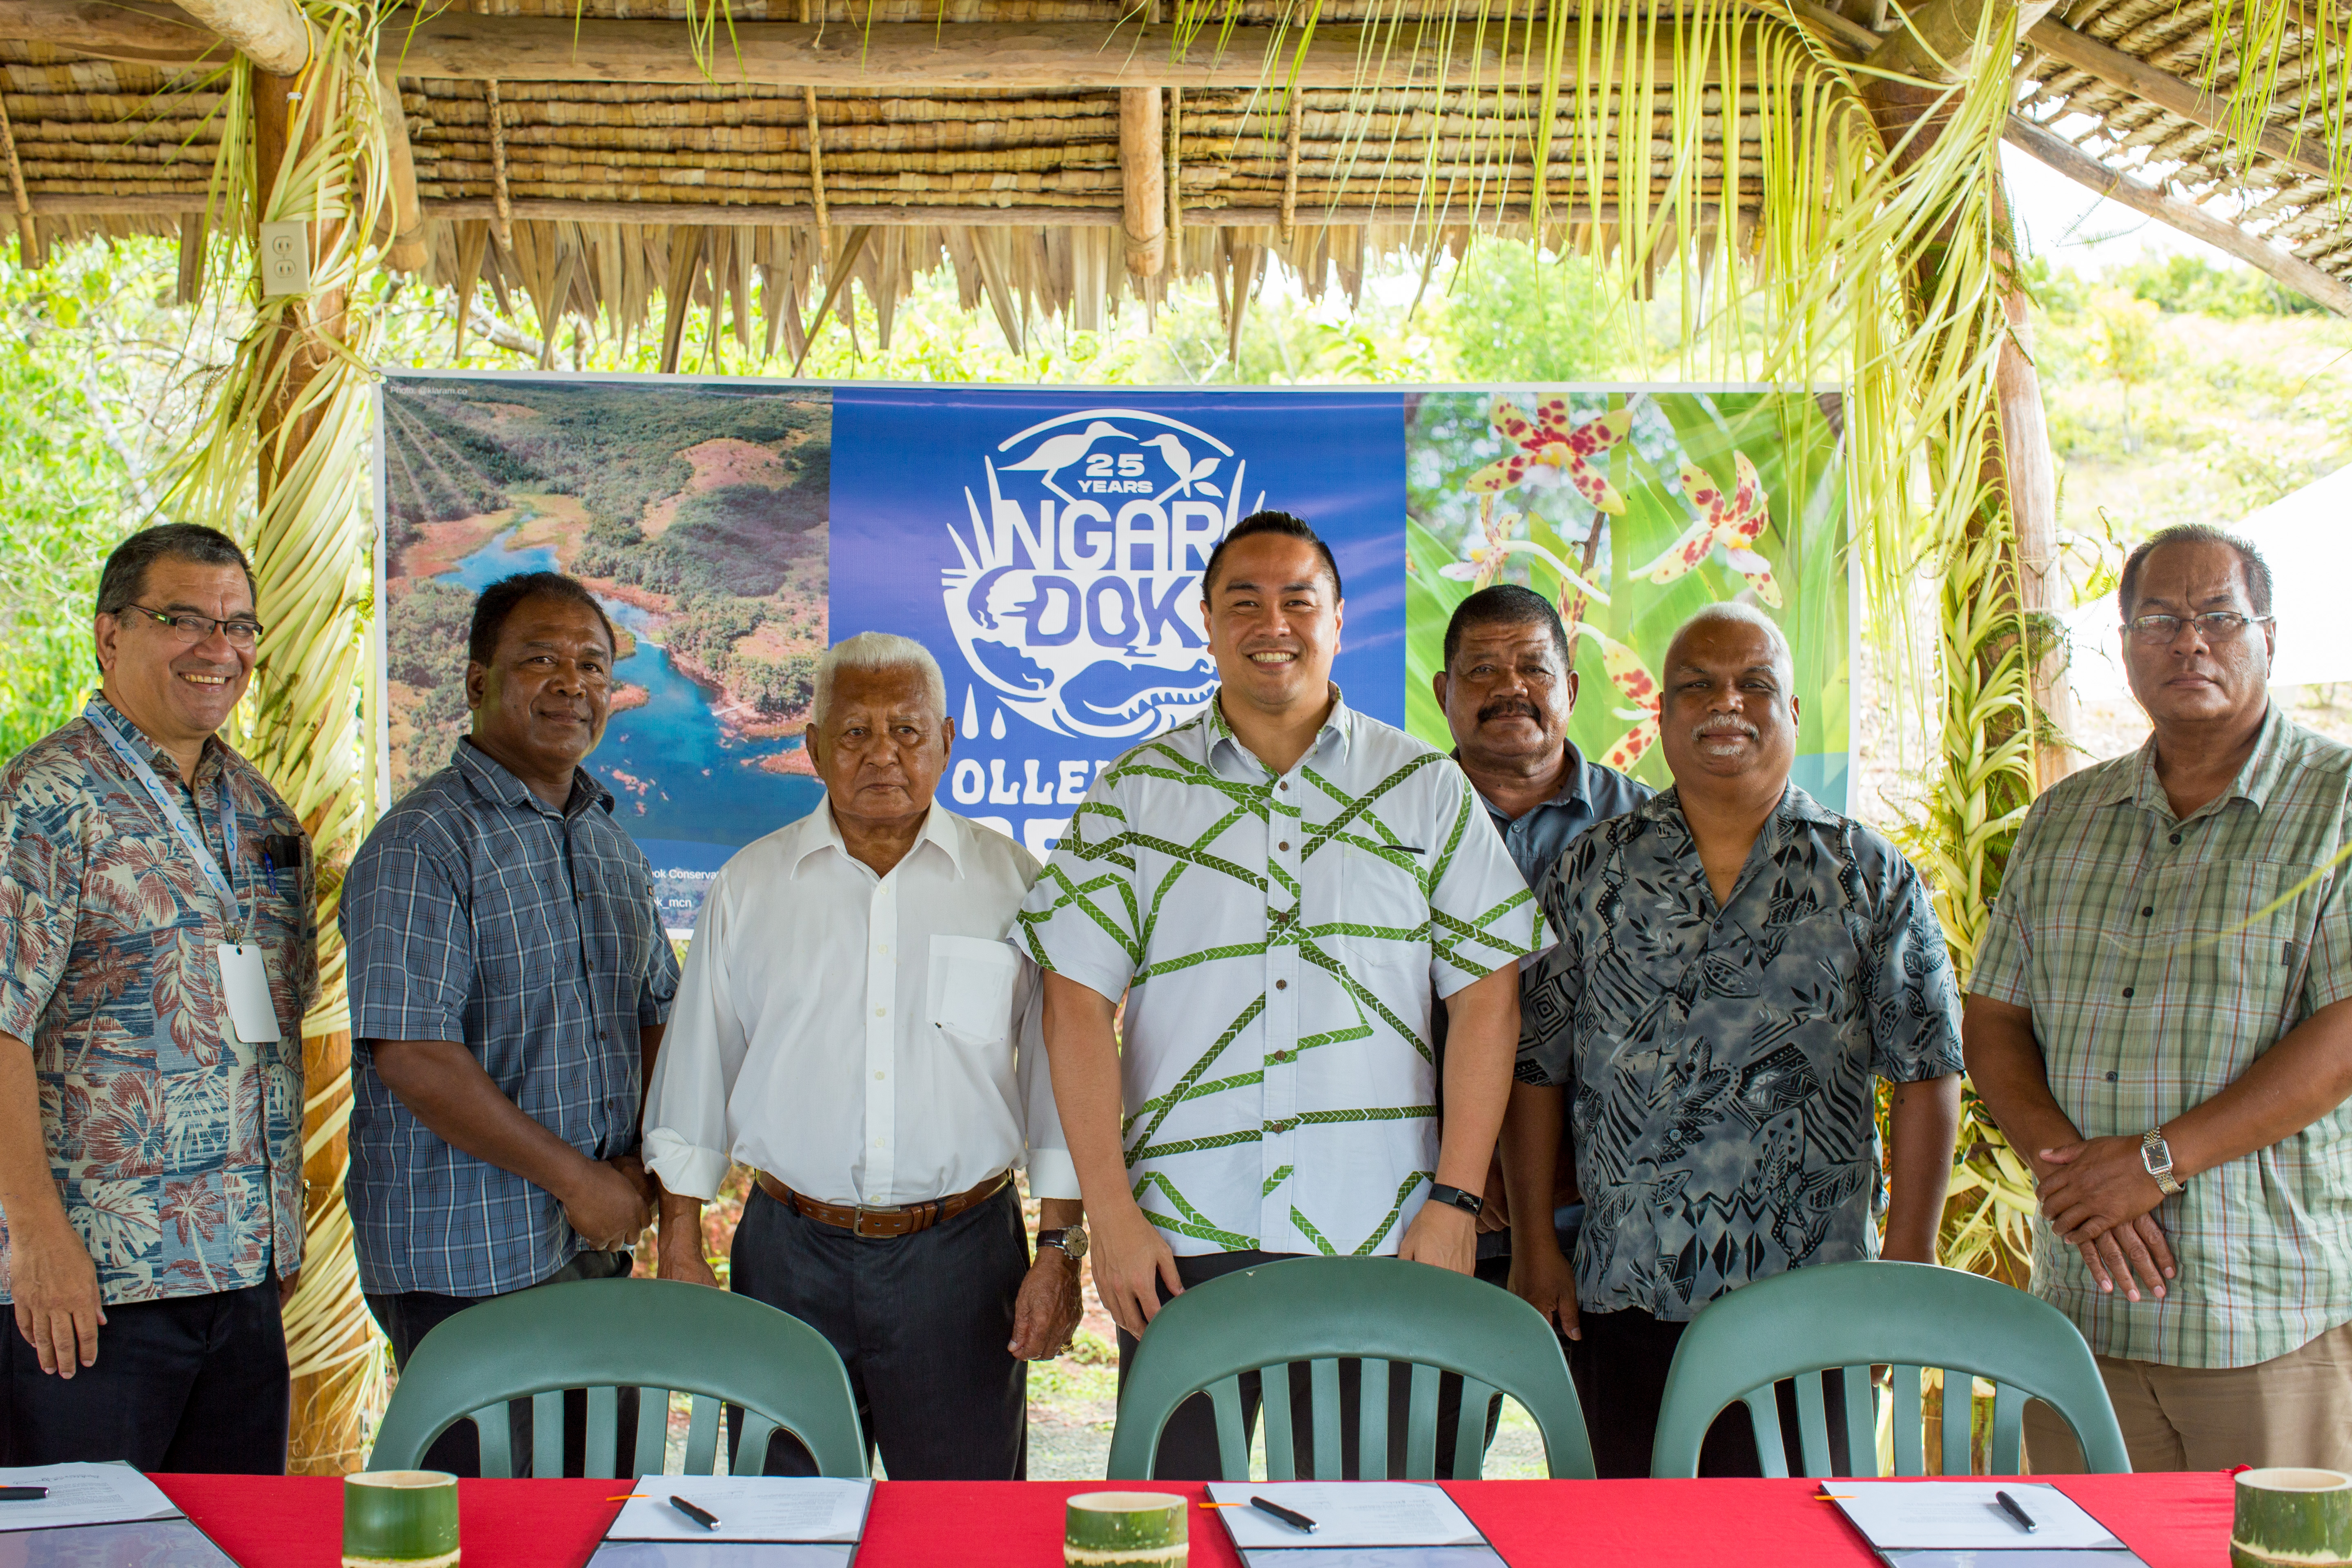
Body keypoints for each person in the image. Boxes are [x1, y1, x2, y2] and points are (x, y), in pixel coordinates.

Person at [1019, 510, 1548, 1479]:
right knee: (1173, 1524)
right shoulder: (1134, 791)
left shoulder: (1423, 787)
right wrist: (1113, 1215)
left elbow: (1489, 996)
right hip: (1181, 1234)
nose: (1275, 623)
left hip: (1382, 1231)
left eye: (1299, 600)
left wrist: (1457, 1200)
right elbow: (1074, 1004)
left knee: (1377, 1536)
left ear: (1341, 621)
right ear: (1208, 624)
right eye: (1245, 601)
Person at [1515, 601, 1962, 1477]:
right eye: (1698, 687)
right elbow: (1537, 1068)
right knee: (1641, 1546)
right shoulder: (1590, 870)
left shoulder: (1868, 874)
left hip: (1820, 1296)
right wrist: (1536, 1244)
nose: (1727, 704)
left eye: (1755, 685)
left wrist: (1909, 1265)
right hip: (1631, 1295)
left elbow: (1927, 1072)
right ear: (1663, 718)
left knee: (1805, 1542)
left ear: (1792, 713)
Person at [644, 633, 1084, 1480]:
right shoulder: (752, 886)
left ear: (948, 741)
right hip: (787, 1258)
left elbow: (1055, 1083)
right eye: (854, 733)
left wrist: (1059, 1247)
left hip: (963, 1263)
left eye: (908, 731)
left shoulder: (1016, 885)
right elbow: (697, 1071)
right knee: (787, 1528)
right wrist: (680, 1242)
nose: (883, 753)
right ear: (812, 747)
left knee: (963, 1537)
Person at [1966, 524, 2352, 1474]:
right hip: (2083, 1322)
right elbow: (1994, 1020)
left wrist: (2155, 1163)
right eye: (2160, 620)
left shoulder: (2339, 803)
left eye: (2220, 617)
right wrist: (2074, 1175)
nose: (2191, 642)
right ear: (2127, 645)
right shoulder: (2068, 816)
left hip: (2262, 1315)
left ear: (2270, 636)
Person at [341, 570, 678, 1475]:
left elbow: (654, 1015)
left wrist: (643, 1163)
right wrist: (578, 1180)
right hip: (467, 1262)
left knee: (597, 1509)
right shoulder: (425, 842)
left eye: (593, 666)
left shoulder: (606, 839)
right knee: (489, 1525)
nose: (571, 684)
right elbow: (414, 1056)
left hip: (596, 1243)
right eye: (540, 660)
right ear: (476, 681)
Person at [0, 523, 316, 1471]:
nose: (218, 648)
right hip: (93, 1285)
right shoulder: (44, 800)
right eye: (182, 619)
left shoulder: (262, 814)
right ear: (109, 635)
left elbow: (266, 1024)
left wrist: (274, 1239)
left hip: (243, 1273)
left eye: (238, 625)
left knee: (229, 1541)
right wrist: (38, 1239)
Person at [1431, 584, 1650, 1463]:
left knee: (1625, 1495)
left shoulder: (1650, 830)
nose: (1509, 686)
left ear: (1571, 690)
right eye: (1482, 669)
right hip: (1441, 1216)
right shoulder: (1392, 825)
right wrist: (1460, 1172)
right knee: (1421, 1491)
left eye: (1533, 667)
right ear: (1444, 693)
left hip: (1608, 1225)